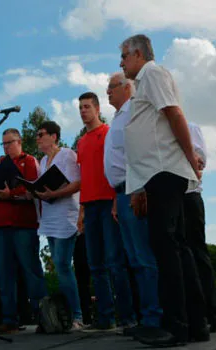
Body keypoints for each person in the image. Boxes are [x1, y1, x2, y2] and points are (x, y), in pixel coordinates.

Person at [120, 34, 208, 346]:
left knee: (168, 249)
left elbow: (175, 114)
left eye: (124, 56)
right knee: (177, 249)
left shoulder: (153, 73)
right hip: (157, 174)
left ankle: (176, 326)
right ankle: (195, 324)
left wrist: (189, 157)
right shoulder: (143, 83)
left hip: (166, 172)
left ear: (139, 54)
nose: (121, 62)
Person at [103, 72, 162, 336]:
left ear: (127, 88)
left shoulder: (134, 111)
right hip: (122, 192)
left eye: (111, 87)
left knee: (143, 257)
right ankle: (145, 316)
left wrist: (139, 189)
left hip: (135, 189)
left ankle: (155, 318)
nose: (108, 92)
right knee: (134, 260)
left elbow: (137, 153)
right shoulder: (119, 116)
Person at [76, 92, 135, 331]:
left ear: (98, 109)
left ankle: (127, 316)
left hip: (107, 202)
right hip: (89, 207)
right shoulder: (81, 141)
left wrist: (115, 201)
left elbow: (116, 167)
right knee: (95, 264)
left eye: (87, 106)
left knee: (115, 262)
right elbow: (83, 177)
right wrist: (80, 210)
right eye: (80, 107)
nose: (82, 111)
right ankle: (105, 317)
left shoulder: (109, 133)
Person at [0, 128, 47, 334]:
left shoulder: (29, 161)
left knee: (31, 270)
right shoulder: (1, 165)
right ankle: (9, 319)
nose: (6, 147)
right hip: (1, 226)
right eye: (3, 144)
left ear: (19, 142)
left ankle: (43, 317)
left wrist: (11, 194)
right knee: (4, 275)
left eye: (9, 143)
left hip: (23, 225)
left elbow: (33, 188)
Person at [35, 121, 83, 331]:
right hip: (50, 217)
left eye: (41, 134)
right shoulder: (43, 160)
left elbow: (76, 183)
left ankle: (77, 315)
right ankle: (66, 315)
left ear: (54, 136)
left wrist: (53, 194)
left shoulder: (67, 155)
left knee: (63, 264)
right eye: (36, 135)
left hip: (66, 216)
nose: (37, 138)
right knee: (57, 265)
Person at [185, 122, 216, 331]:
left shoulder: (190, 127)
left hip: (190, 195)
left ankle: (211, 312)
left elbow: (200, 162)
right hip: (171, 200)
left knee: (198, 253)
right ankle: (192, 313)